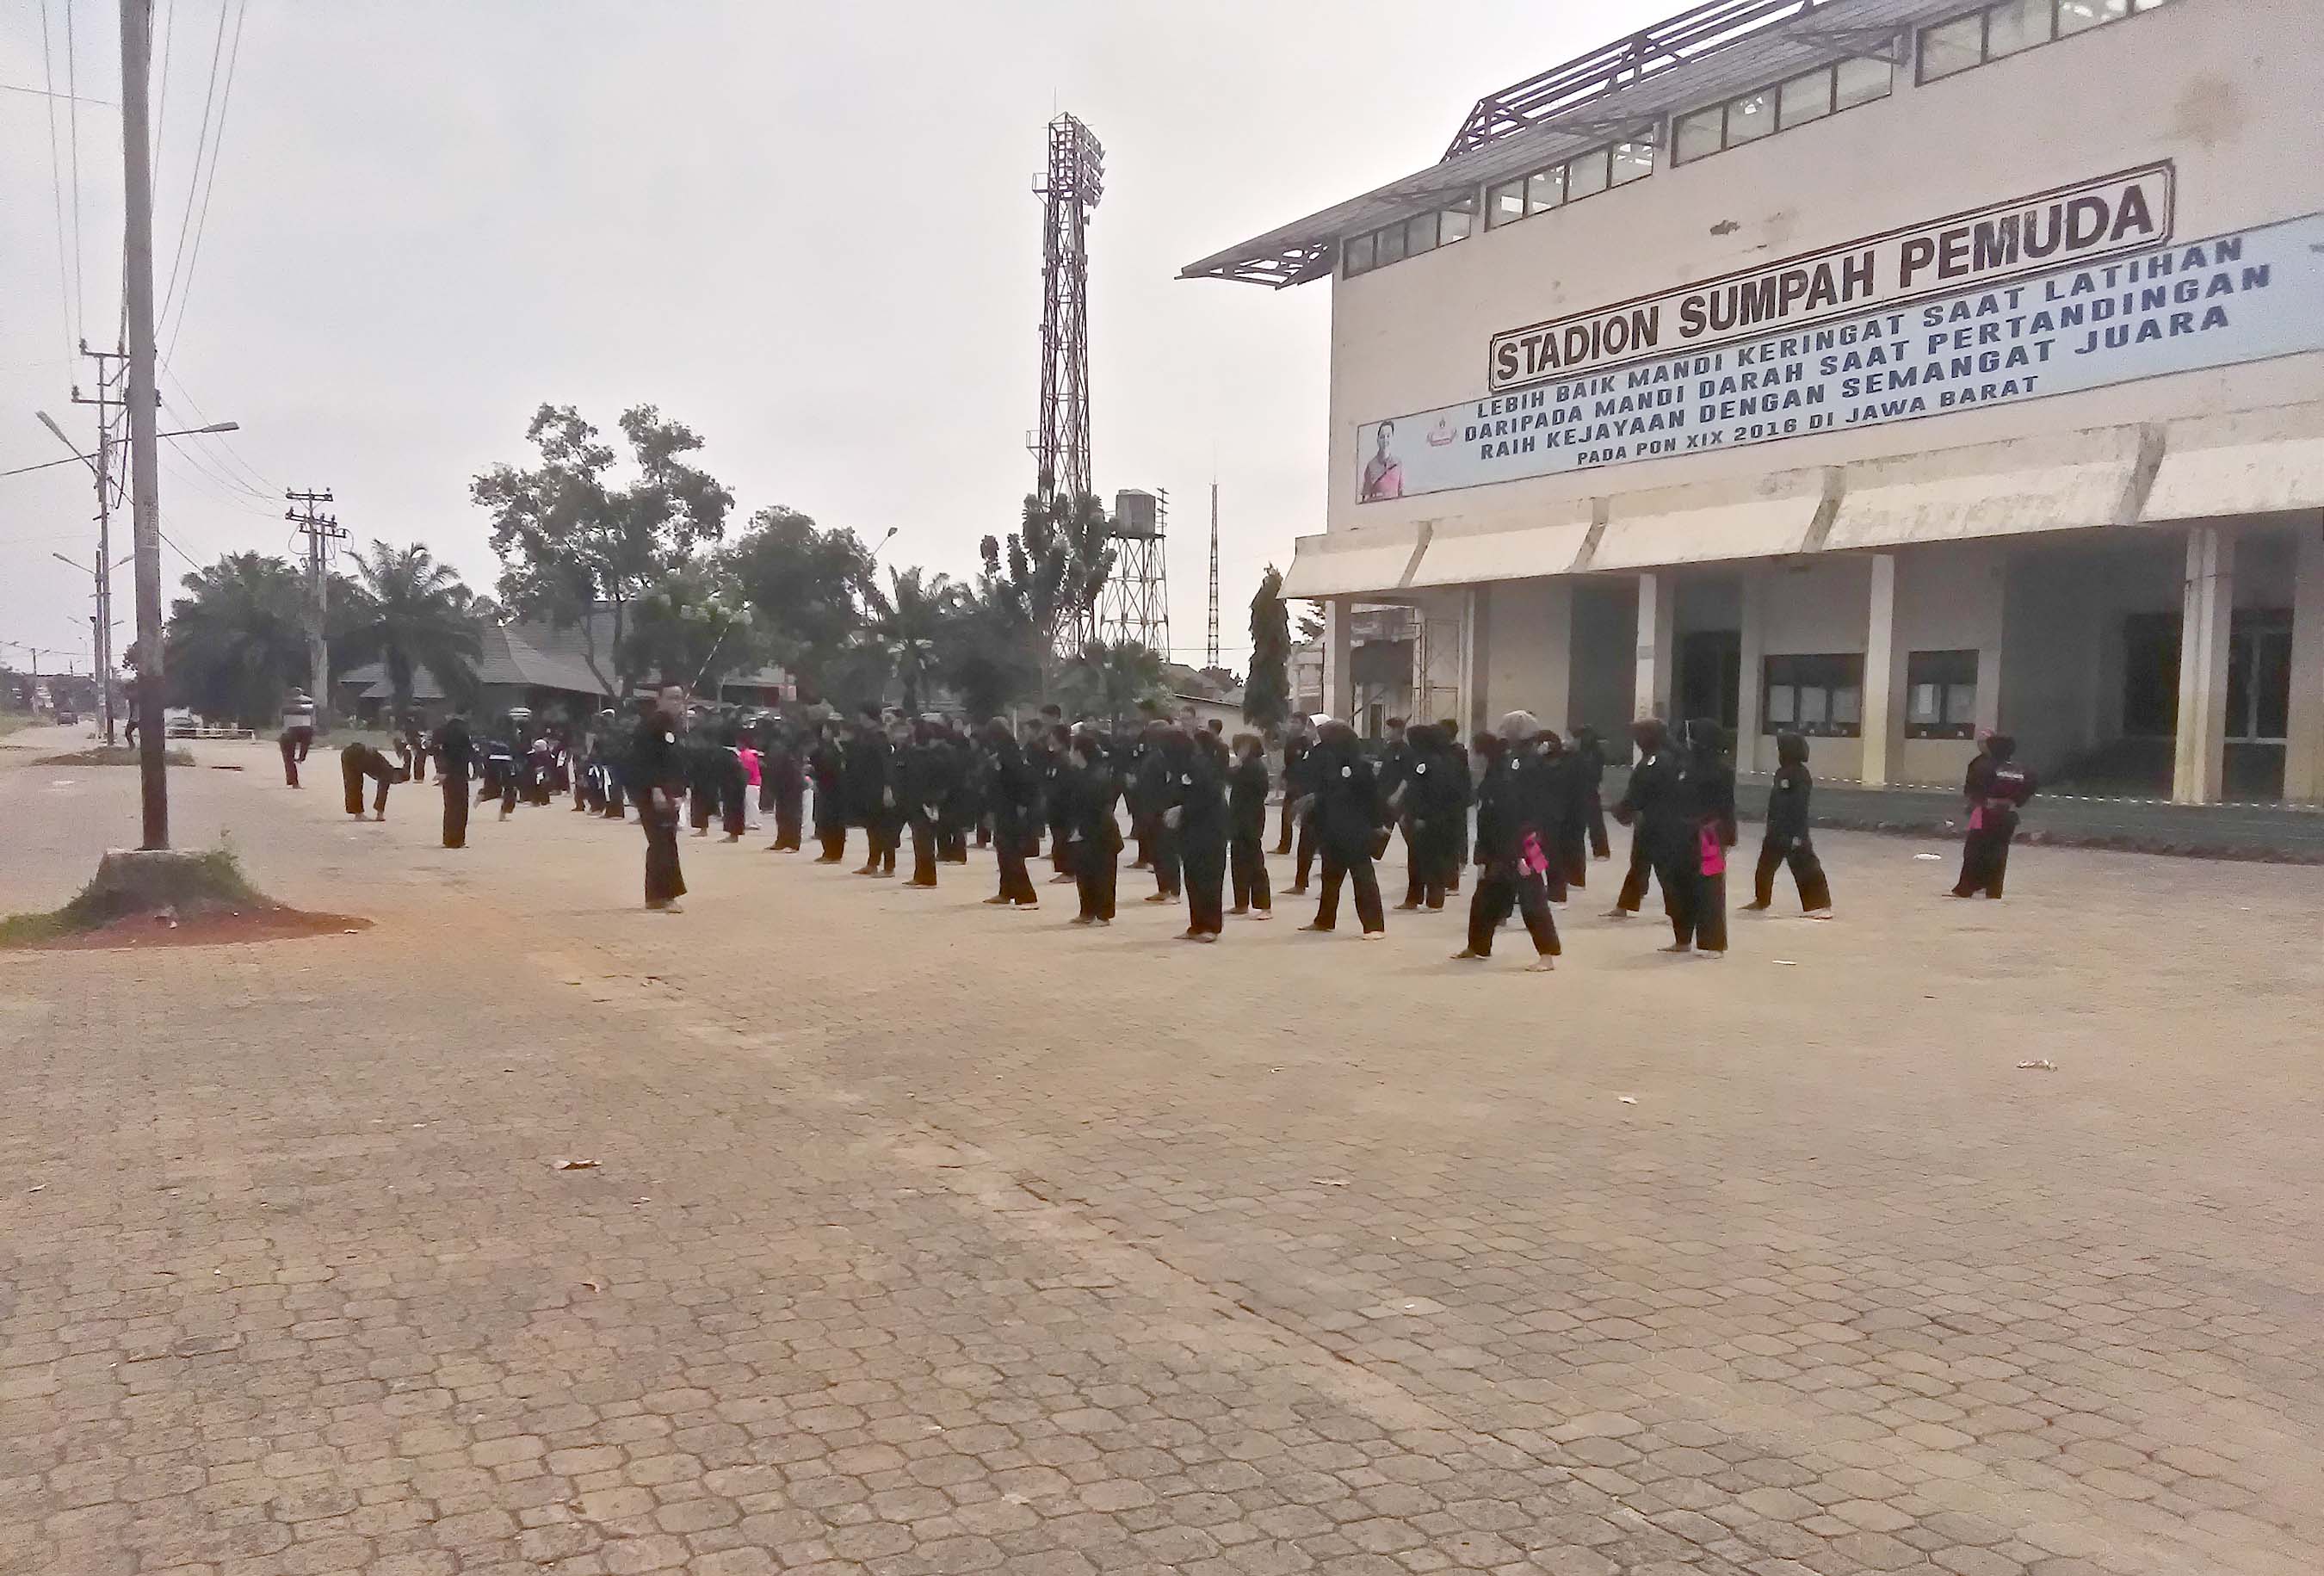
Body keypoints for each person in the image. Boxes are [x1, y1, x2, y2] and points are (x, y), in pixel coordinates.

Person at [1452, 720, 1560, 970]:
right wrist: (1483, 853)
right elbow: (1489, 813)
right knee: (1485, 897)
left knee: (1533, 897)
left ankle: (1547, 955)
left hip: (1527, 841)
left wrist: (1523, 850)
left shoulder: (1529, 764)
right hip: (1500, 844)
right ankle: (1477, 946)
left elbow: (1530, 810)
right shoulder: (1501, 767)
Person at [1301, 720, 1387, 939]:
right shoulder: (1326, 765)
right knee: (1330, 878)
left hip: (1355, 830)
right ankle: (1324, 920)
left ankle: (1374, 925)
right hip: (1331, 829)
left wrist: (1378, 825)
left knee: (1363, 877)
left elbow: (1372, 799)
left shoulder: (1361, 767)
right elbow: (1324, 794)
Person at [1657, 718, 1734, 957]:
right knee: (1678, 884)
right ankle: (1682, 939)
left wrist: (1728, 837)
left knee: (1710, 888)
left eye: (1691, 736)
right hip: (1679, 833)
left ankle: (1712, 944)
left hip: (1709, 832)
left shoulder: (1722, 770)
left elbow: (1726, 806)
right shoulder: (1683, 765)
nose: (1687, 741)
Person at [1745, 731, 1833, 917]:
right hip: (1776, 830)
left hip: (1793, 831)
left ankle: (1819, 905)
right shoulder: (1782, 772)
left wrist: (1797, 835)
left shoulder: (1800, 775)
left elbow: (1798, 807)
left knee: (1805, 866)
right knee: (1765, 866)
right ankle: (1762, 900)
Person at [1606, 718, 1678, 920]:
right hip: (1652, 822)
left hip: (1657, 823)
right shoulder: (1661, 757)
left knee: (1665, 870)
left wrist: (1623, 810)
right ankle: (1625, 904)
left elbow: (1640, 791)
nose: (1637, 740)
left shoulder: (1656, 760)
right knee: (1639, 864)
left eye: (1639, 735)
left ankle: (1679, 912)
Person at [1951, 732, 2037, 899]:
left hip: (1984, 813)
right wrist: (2015, 801)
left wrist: (1977, 802)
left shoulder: (1983, 766)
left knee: (1974, 850)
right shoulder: (2021, 769)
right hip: (2008, 816)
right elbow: (2030, 787)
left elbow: (1972, 788)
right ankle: (1994, 889)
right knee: (1999, 851)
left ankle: (1966, 887)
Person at [1167, 726, 1231, 942]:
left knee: (1209, 878)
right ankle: (1196, 924)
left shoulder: (1206, 766)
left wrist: (1183, 809)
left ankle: (1211, 927)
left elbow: (1210, 796)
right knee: (1192, 877)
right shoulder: (1186, 765)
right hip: (1191, 830)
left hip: (1210, 830)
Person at [1395, 724, 1466, 912]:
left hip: (1429, 819)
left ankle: (1434, 900)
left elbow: (1431, 792)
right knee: (1416, 859)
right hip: (1426, 818)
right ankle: (1413, 898)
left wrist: (1421, 816)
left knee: (1432, 860)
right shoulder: (1435, 759)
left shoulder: (1429, 763)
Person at [632, 686, 689, 912]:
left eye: (679, 698)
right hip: (654, 791)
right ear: (660, 699)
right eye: (671, 698)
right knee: (662, 841)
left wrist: (679, 790)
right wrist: (656, 789)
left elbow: (675, 762)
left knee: (663, 841)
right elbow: (646, 760)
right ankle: (665, 895)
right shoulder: (651, 726)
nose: (677, 702)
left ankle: (655, 895)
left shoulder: (673, 727)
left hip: (669, 790)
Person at [982, 718, 1041, 908]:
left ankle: (1026, 895)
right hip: (1003, 806)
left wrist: (1022, 804)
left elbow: (1021, 780)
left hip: (1010, 808)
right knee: (1003, 850)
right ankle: (1006, 891)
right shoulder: (1005, 750)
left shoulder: (1010, 753)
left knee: (1011, 852)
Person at [1064, 731, 1122, 924]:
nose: (1069, 754)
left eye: (1072, 750)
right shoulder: (1081, 774)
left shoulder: (1098, 775)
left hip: (1101, 832)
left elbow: (1098, 809)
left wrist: (1082, 830)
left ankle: (1103, 914)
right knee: (1085, 873)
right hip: (1083, 831)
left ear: (1079, 752)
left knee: (1102, 874)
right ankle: (1087, 911)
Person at [899, 716, 957, 888]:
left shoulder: (920, 757)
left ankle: (927, 876)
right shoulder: (930, 756)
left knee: (923, 839)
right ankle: (921, 874)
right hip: (926, 800)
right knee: (921, 839)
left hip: (923, 800)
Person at [1227, 732, 1273, 920]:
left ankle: (1264, 906)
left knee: (1254, 861)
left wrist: (1237, 766)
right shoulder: (1243, 766)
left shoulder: (1256, 767)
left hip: (1251, 818)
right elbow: (1229, 779)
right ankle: (1241, 903)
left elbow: (1258, 790)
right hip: (1238, 817)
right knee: (1238, 861)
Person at [1134, 720, 1181, 904]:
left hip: (1163, 810)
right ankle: (1162, 888)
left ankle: (1174, 891)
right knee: (1156, 852)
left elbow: (1172, 785)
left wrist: (1167, 807)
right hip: (1149, 810)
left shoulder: (1170, 758)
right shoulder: (1152, 755)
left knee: (1168, 851)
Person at [808, 719, 848, 862]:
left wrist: (815, 773)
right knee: (825, 821)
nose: (823, 732)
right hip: (827, 787)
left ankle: (833, 853)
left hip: (832, 788)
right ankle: (829, 852)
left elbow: (831, 767)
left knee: (832, 821)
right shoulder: (824, 747)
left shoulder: (836, 747)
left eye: (825, 729)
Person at [764, 721, 807, 851]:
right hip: (781, 784)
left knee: (792, 814)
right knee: (782, 814)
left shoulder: (791, 748)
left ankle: (793, 843)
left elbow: (793, 767)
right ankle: (782, 840)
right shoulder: (775, 746)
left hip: (792, 784)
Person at [436, 712, 474, 849]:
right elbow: (470, 753)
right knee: (461, 807)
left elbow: (439, 751)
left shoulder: (444, 731)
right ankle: (458, 839)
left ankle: (448, 839)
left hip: (448, 774)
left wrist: (441, 771)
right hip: (460, 772)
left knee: (450, 806)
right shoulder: (463, 731)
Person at [340, 739, 406, 820]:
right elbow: (382, 794)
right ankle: (358, 815)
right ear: (397, 774)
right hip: (356, 755)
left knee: (353, 784)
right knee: (355, 785)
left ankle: (358, 814)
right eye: (398, 781)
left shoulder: (387, 769)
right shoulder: (388, 773)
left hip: (351, 752)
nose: (395, 783)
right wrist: (380, 815)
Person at [1572, 726, 1612, 859]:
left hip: (1589, 789)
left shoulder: (1592, 753)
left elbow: (1593, 772)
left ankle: (1601, 850)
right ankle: (1595, 850)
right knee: (1582, 821)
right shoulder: (1583, 752)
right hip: (1581, 789)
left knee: (1594, 821)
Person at [1274, 720, 1310, 855]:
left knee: (1306, 817)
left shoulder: (1306, 743)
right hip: (1291, 783)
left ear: (1303, 725)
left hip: (1302, 784)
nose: (1293, 725)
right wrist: (1283, 777)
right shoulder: (1290, 742)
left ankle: (1311, 848)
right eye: (1292, 722)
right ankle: (1284, 845)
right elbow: (1288, 763)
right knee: (1286, 815)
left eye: (1296, 722)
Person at [278, 689, 316, 787]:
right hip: (306, 729)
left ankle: (293, 780)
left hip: (289, 730)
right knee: (305, 742)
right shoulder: (309, 701)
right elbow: (313, 717)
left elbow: (280, 718)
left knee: (288, 756)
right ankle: (301, 757)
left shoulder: (286, 702)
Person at [1359, 420, 1404, 501]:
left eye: (1388, 436)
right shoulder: (1371, 465)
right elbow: (1365, 496)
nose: (1385, 440)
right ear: (1378, 440)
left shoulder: (1398, 464)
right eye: (1382, 437)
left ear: (1392, 438)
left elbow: (1401, 492)